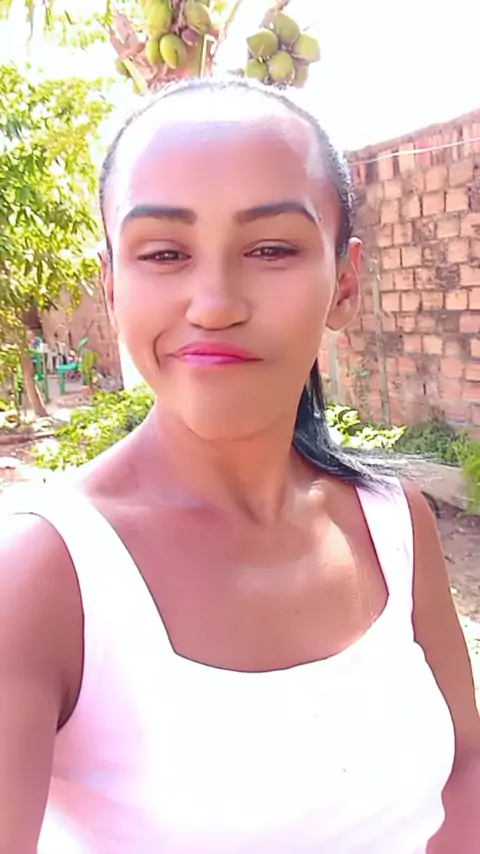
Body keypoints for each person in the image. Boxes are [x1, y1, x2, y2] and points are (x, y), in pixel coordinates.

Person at [0, 76, 479, 854]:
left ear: (345, 282)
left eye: (270, 249)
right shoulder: (44, 579)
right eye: (164, 253)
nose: (215, 302)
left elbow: (465, 767)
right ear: (112, 287)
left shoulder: (391, 522)